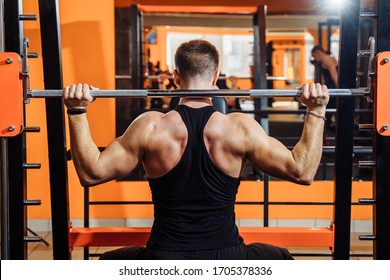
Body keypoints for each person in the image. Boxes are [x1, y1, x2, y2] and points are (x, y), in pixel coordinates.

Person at [63, 39, 329, 260]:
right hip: (228, 257)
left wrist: (77, 110)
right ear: (215, 77)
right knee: (280, 258)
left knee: (106, 262)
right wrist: (316, 110)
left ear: (176, 77)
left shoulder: (150, 127)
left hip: (163, 258)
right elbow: (302, 170)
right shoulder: (239, 128)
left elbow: (91, 173)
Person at [311, 45, 338, 136]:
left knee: (328, 112)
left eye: (314, 56)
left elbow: (334, 73)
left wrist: (339, 89)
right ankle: (326, 133)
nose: (315, 58)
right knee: (328, 113)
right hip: (330, 88)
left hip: (333, 89)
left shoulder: (327, 59)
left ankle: (326, 134)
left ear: (317, 53)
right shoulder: (327, 59)